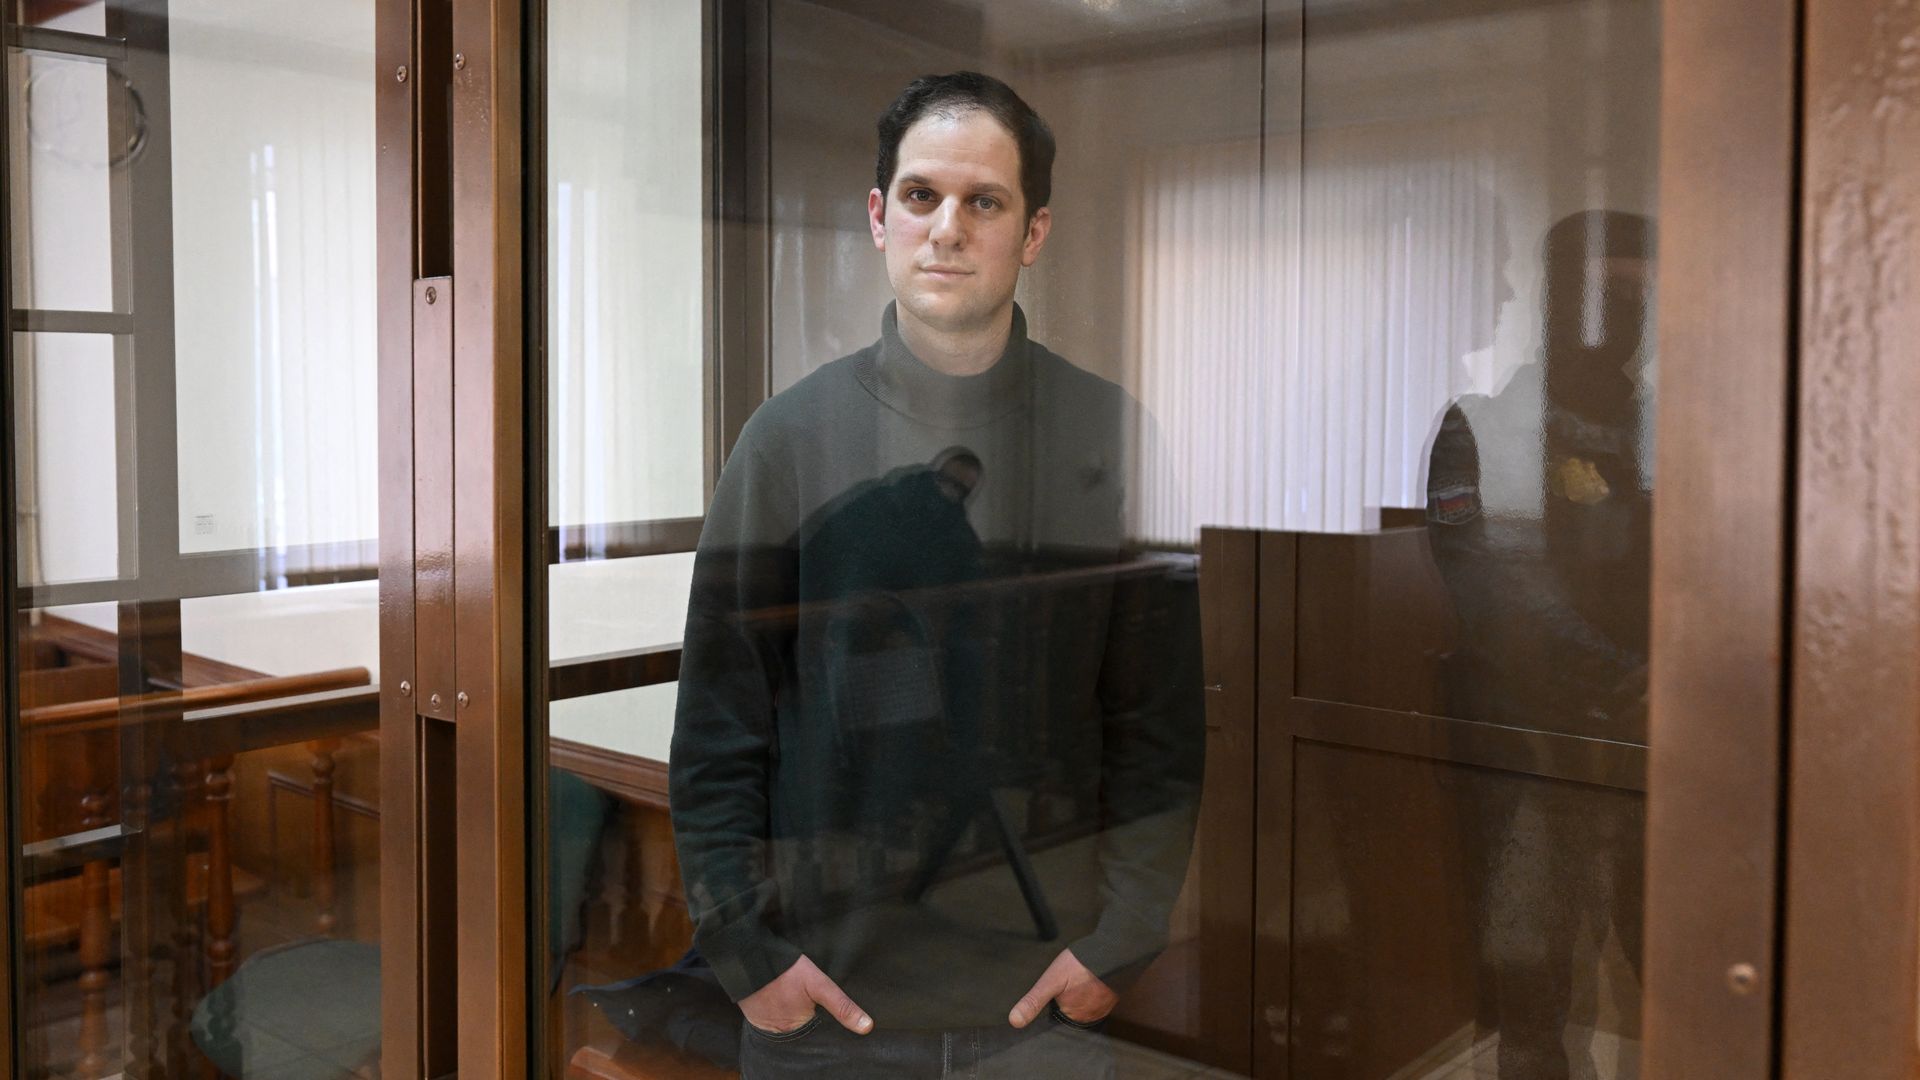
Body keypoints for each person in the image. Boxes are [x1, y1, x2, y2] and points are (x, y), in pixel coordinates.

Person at [669, 72, 1205, 1079]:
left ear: (1033, 232)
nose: (947, 228)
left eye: (984, 202)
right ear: (879, 217)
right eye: (921, 196)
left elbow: (1159, 726)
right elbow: (717, 730)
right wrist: (750, 959)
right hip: (823, 1013)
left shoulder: (1111, 435)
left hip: (1043, 1006)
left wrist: (1122, 940)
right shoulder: (786, 442)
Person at [1425, 208, 1655, 1079]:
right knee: (1532, 998)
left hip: (1659, 751)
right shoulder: (1483, 425)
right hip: (1531, 753)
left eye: (1639, 298)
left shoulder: (1678, 428)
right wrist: (1630, 678)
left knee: (1674, 982)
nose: (1622, 320)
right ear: (1560, 302)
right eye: (1605, 297)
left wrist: (1675, 683)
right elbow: (1494, 593)